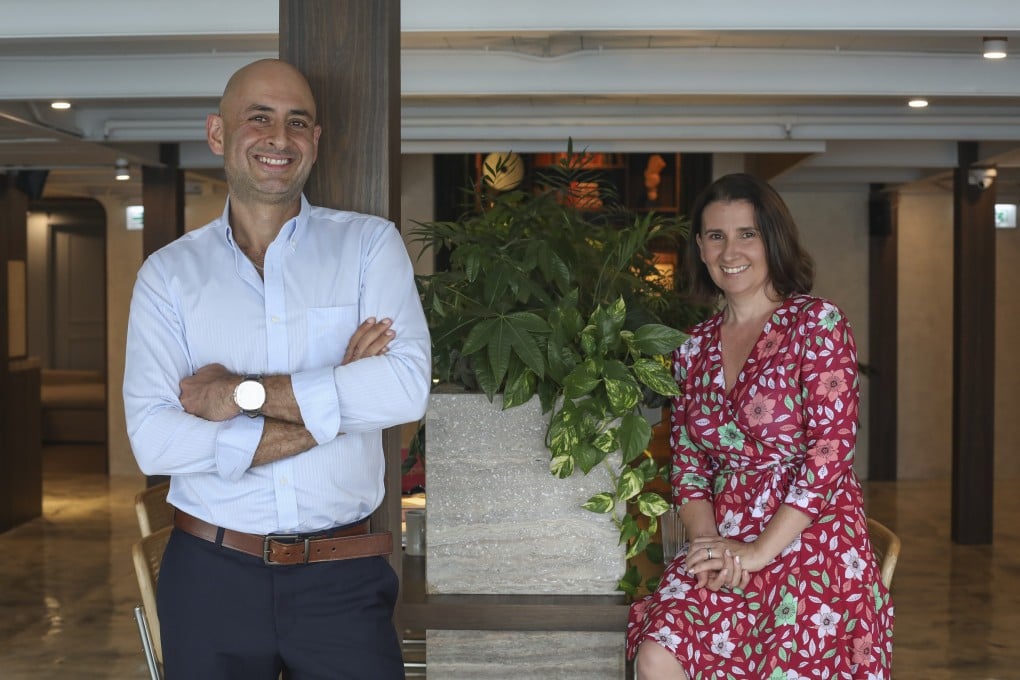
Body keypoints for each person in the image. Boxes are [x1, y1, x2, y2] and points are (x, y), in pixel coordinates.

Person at [123, 58, 431, 679]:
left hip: (343, 577)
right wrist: (337, 398)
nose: (279, 138)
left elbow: (402, 389)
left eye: (297, 122)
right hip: (211, 575)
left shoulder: (371, 245)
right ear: (218, 134)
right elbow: (154, 441)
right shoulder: (168, 276)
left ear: (315, 141)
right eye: (257, 118)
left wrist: (237, 393)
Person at [628, 173, 894, 679]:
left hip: (810, 540)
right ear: (700, 249)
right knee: (657, 652)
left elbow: (831, 452)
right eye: (715, 235)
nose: (731, 250)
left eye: (746, 233)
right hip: (722, 537)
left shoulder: (816, 324)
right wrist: (709, 547)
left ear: (773, 239)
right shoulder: (692, 346)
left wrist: (757, 553)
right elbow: (689, 463)